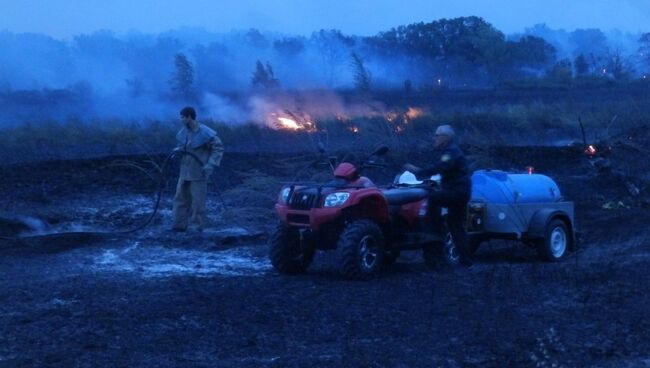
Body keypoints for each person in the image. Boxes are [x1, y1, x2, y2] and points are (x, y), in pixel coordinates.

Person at [403, 124, 473, 267]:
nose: (434, 138)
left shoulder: (450, 153)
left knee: (432, 199)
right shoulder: (451, 151)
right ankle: (466, 261)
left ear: (445, 138)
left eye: (437, 135)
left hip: (456, 192)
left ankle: (433, 229)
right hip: (461, 192)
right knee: (455, 226)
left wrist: (418, 172)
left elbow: (440, 167)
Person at [171, 106, 225, 232]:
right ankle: (179, 225)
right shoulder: (184, 131)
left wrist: (211, 164)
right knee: (180, 199)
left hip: (198, 173)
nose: (181, 120)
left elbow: (218, 148)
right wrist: (178, 150)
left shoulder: (206, 133)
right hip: (184, 172)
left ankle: (196, 227)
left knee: (197, 202)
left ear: (189, 117)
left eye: (183, 117)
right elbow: (183, 146)